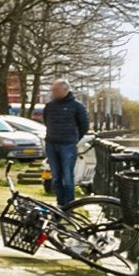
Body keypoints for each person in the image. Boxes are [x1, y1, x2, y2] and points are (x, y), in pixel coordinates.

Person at [42, 79, 92, 210]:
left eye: (56, 90)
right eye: (53, 90)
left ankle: (69, 204)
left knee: (68, 176)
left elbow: (84, 125)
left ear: (65, 90)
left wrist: (74, 139)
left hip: (67, 145)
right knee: (56, 176)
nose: (53, 93)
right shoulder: (50, 106)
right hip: (51, 143)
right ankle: (60, 203)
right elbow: (46, 121)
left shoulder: (76, 106)